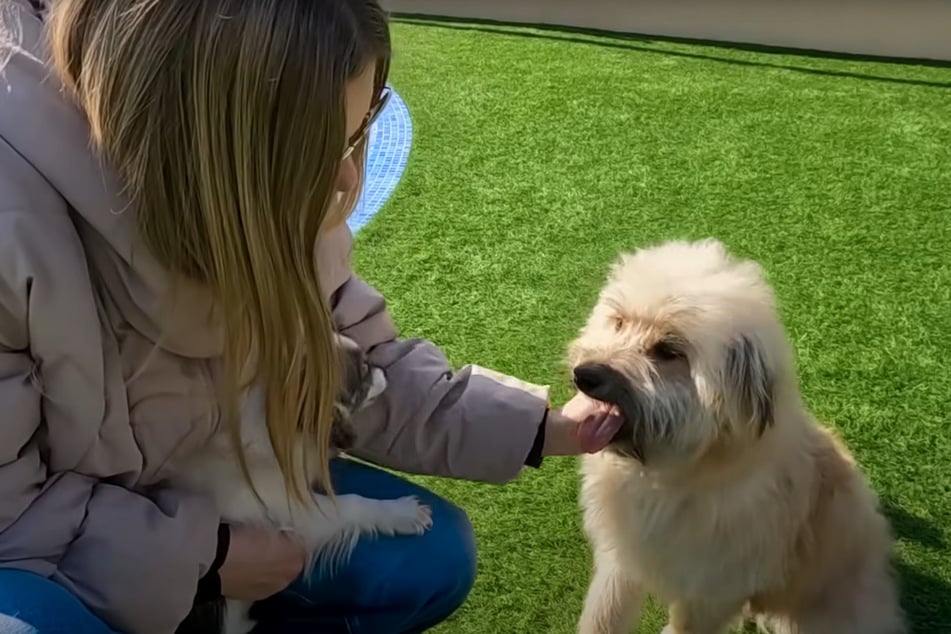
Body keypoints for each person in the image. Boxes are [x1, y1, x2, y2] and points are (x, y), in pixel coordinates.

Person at [0, 1, 621, 633]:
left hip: (208, 500)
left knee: (429, 556)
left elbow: (360, 371)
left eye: (356, 135)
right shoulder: (12, 220)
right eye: (317, 148)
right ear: (209, 146)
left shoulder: (279, 196)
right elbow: (8, 516)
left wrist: (544, 429)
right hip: (56, 546)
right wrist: (204, 556)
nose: (346, 175)